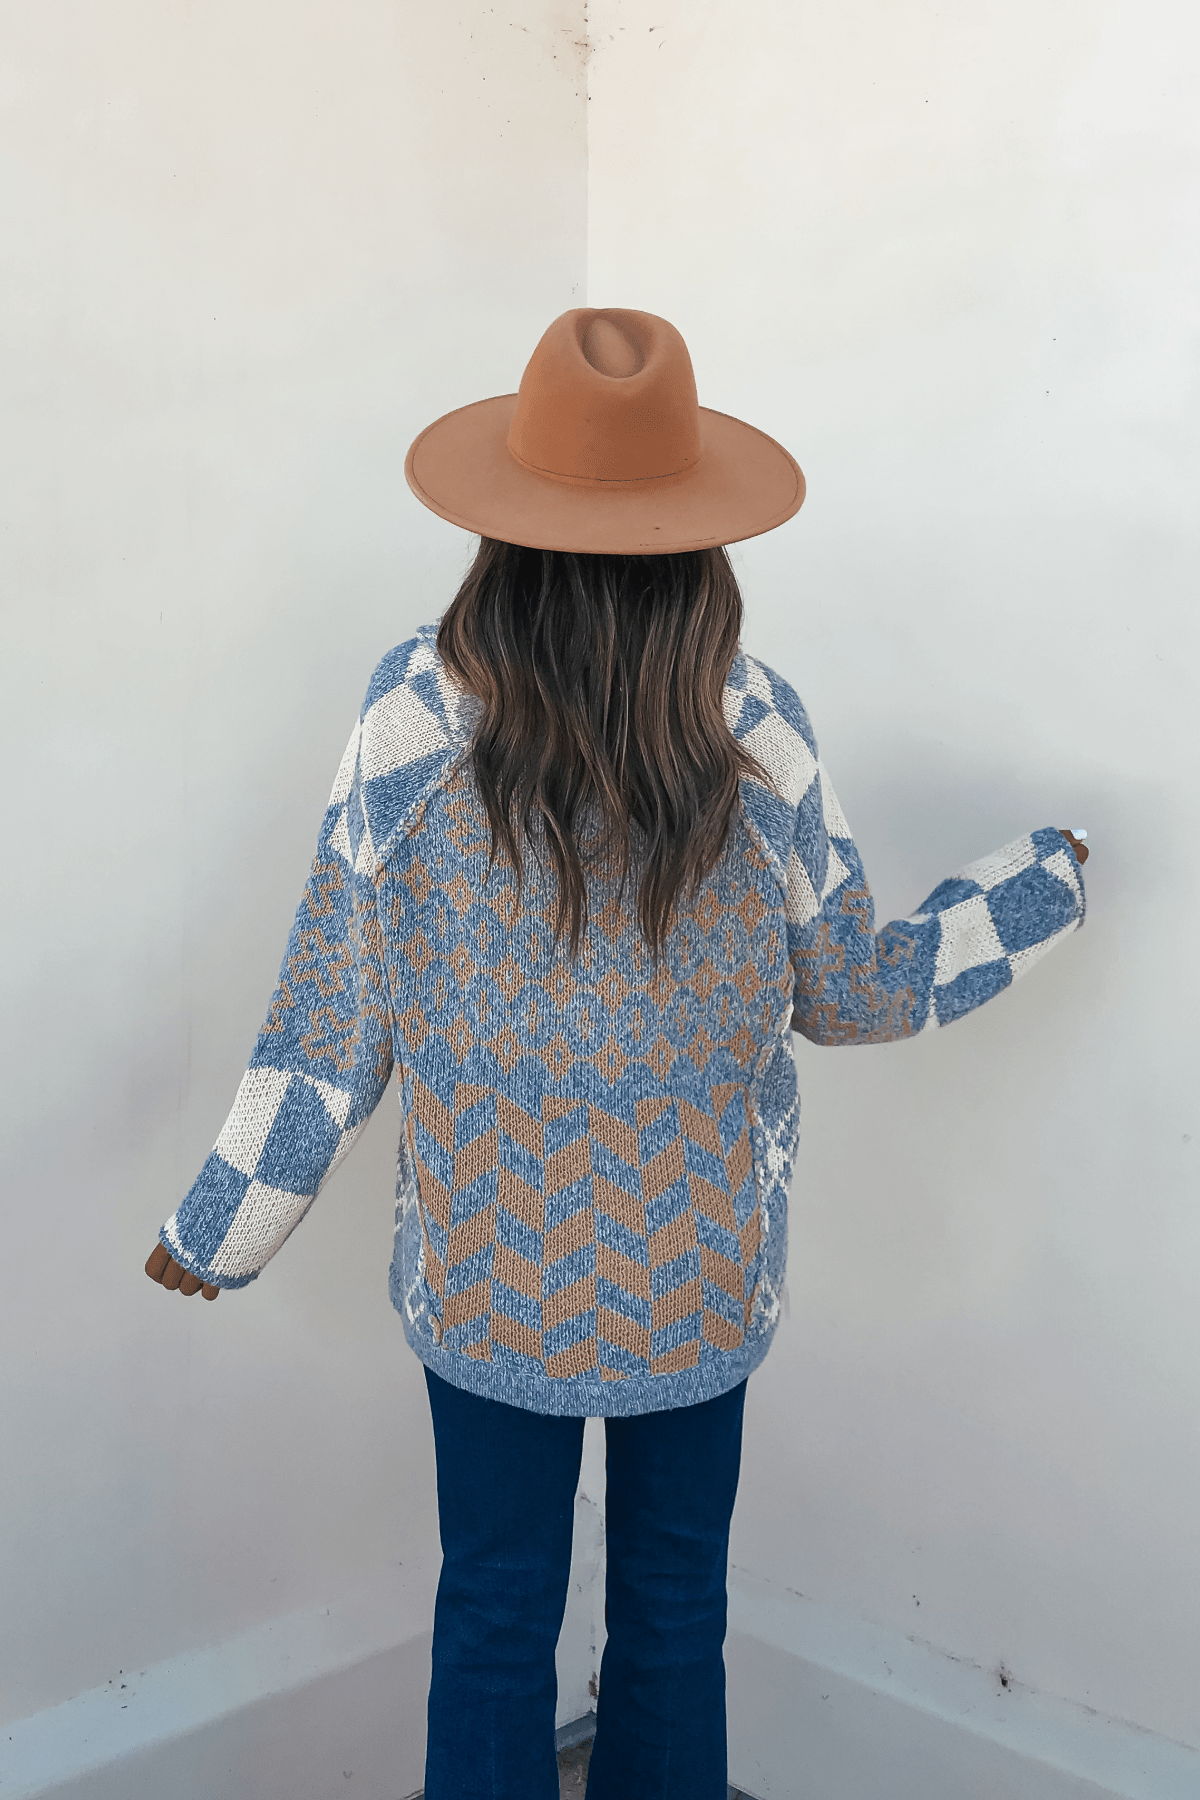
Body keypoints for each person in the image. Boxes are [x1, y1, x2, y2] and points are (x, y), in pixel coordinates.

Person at [144, 308, 1089, 1800]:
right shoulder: (760, 727)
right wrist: (1040, 887)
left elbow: (335, 1010)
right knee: (675, 1611)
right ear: (703, 537)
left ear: (498, 529)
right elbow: (853, 992)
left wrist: (222, 1226)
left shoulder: (412, 716)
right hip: (698, 1267)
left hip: (490, 1265)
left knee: (493, 1615)